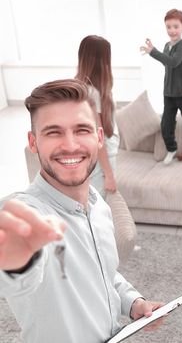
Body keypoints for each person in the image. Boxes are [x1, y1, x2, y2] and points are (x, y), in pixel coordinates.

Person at [0, 79, 163, 343]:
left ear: (98, 138)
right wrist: (17, 263)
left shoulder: (98, 203)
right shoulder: (25, 212)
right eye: (53, 132)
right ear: (33, 142)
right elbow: (14, 268)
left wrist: (133, 302)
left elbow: (101, 272)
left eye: (82, 130)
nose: (70, 145)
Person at [140, 8, 182, 169]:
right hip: (169, 94)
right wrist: (155, 51)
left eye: (175, 26)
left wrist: (152, 52)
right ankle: (171, 149)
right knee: (165, 126)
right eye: (168, 27)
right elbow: (166, 62)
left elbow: (173, 62)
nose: (172, 30)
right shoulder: (166, 45)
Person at [76, 35, 118, 199]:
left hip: (100, 157)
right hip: (102, 160)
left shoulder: (82, 87)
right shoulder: (92, 93)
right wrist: (109, 175)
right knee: (99, 205)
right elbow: (97, 137)